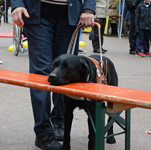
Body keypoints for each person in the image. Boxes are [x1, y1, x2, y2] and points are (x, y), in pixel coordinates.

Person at [11, 0, 95, 150]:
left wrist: (88, 8)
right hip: (36, 13)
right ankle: (43, 133)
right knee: (40, 73)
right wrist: (17, 4)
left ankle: (58, 120)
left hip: (70, 15)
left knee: (67, 72)